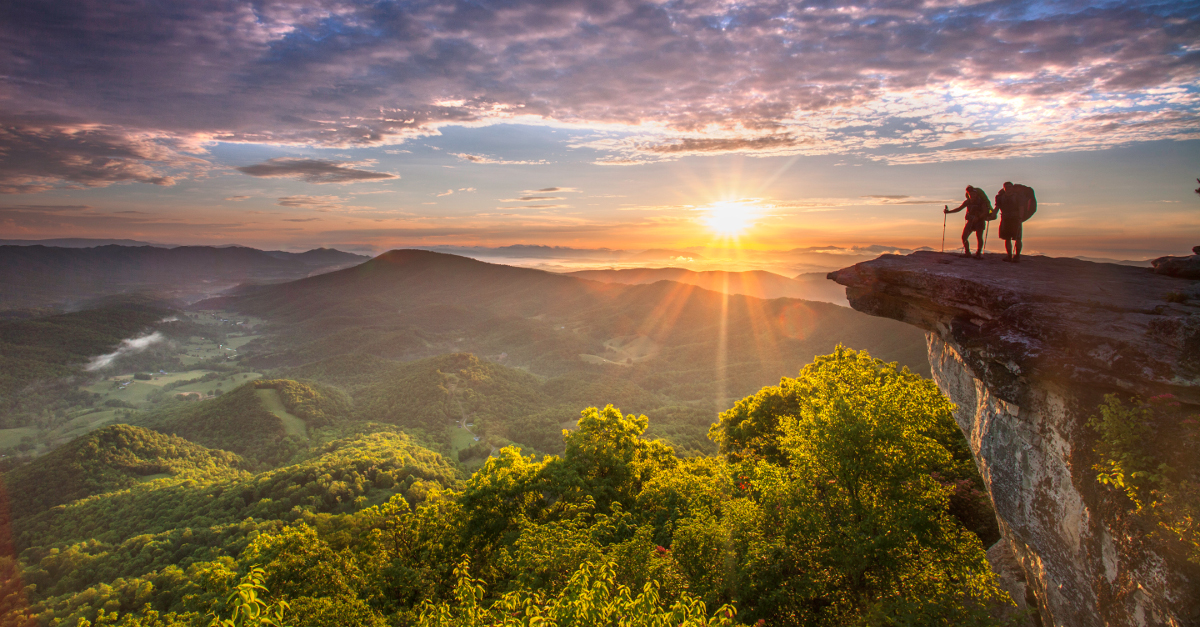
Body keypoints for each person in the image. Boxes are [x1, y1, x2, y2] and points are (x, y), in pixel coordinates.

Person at [944, 186, 991, 258]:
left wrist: (978, 217)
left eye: (973, 194)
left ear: (976, 194)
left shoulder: (981, 202)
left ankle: (978, 253)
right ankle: (968, 252)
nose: (972, 195)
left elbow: (985, 212)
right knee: (964, 237)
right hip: (971, 220)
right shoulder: (967, 202)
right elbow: (959, 209)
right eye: (970, 194)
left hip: (979, 221)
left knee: (979, 237)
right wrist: (948, 212)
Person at [994, 181, 1035, 262]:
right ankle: (1009, 255)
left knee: (1018, 238)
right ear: (1004, 188)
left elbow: (1021, 208)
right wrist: (991, 214)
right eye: (1006, 187)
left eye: (1009, 187)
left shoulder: (1017, 197)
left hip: (1015, 219)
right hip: (1006, 219)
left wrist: (1020, 218)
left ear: (1012, 188)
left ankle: (1017, 256)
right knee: (1007, 238)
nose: (1008, 189)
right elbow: (997, 207)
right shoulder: (1001, 197)